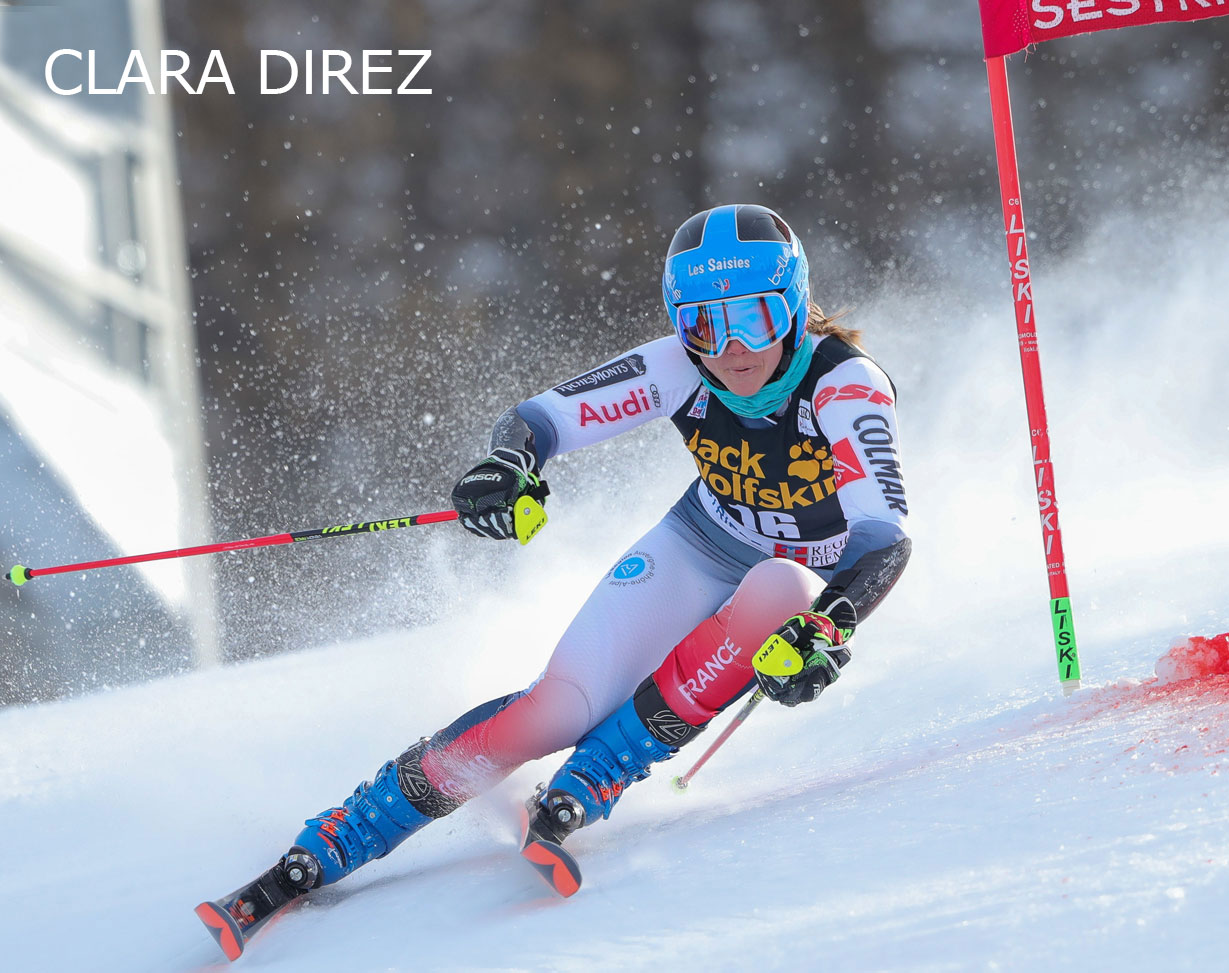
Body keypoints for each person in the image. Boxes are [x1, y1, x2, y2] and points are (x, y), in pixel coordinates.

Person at [273, 203, 911, 896]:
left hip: (804, 577)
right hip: (702, 543)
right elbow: (538, 420)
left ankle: (600, 770)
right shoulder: (680, 365)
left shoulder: (845, 385)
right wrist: (510, 465)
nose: (730, 346)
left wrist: (830, 622)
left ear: (791, 305)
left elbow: (884, 538)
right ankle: (356, 826)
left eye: (753, 316)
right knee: (556, 709)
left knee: (784, 589)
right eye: (702, 321)